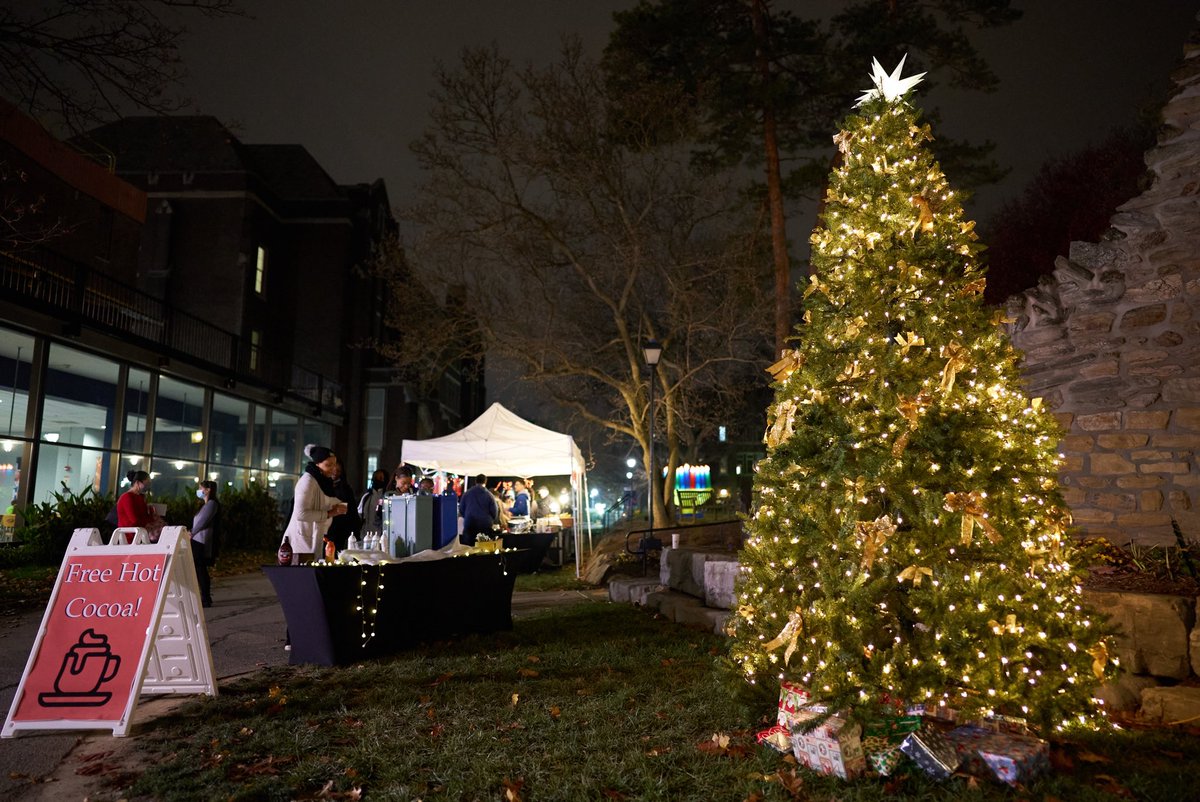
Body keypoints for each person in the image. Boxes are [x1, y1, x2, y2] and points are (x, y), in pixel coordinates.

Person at [281, 444, 347, 564]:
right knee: (302, 578)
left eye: (334, 464)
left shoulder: (323, 481)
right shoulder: (308, 481)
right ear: (317, 464)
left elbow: (324, 501)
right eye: (328, 465)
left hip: (313, 539)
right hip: (300, 544)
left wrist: (338, 505)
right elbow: (300, 514)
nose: (333, 468)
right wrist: (330, 513)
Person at [191, 480, 219, 608]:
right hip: (198, 539)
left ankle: (205, 598)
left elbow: (202, 522)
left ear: (208, 490)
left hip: (201, 541)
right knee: (199, 568)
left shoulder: (211, 504)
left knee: (200, 568)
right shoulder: (206, 505)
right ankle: (204, 597)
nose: (199, 490)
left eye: (201, 488)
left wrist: (192, 533)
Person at [324, 463, 361, 556]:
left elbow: (351, 509)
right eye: (334, 470)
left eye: (338, 471)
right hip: (325, 524)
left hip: (340, 527)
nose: (335, 473)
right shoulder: (323, 486)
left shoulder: (345, 488)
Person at [116, 469, 163, 541]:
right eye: (146, 484)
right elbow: (134, 520)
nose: (148, 486)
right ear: (137, 483)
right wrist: (150, 520)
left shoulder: (140, 497)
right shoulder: (127, 497)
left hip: (140, 533)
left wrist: (152, 512)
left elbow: (144, 517)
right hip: (130, 535)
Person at [459, 473, 497, 546]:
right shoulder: (489, 495)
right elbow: (494, 511)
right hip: (485, 525)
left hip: (470, 524)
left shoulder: (467, 493)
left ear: (475, 481)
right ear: (485, 482)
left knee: (469, 548)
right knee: (484, 548)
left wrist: (467, 516)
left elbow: (461, 509)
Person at [357, 468, 389, 544]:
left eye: (380, 478)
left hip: (381, 536)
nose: (377, 480)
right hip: (365, 535)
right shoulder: (366, 496)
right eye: (375, 478)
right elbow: (359, 514)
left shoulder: (387, 496)